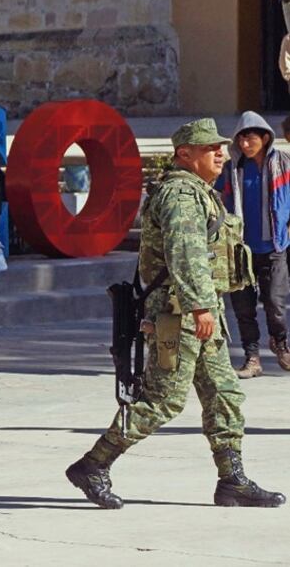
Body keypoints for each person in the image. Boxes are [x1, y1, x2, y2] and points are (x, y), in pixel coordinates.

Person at [66, 118, 284, 510]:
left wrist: (208, 307)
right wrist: (201, 306)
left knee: (224, 394)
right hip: (179, 313)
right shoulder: (181, 195)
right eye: (209, 148)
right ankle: (93, 465)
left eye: (221, 147)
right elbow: (186, 256)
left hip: (201, 311)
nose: (221, 153)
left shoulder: (201, 191)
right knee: (162, 401)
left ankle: (231, 480)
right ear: (185, 154)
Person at [216, 111, 290, 378]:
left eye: (250, 139)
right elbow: (219, 202)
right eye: (241, 140)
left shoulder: (284, 163)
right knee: (243, 307)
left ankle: (280, 344)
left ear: (265, 137)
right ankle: (252, 358)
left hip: (274, 247)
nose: (245, 145)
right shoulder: (232, 168)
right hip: (239, 251)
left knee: (275, 303)